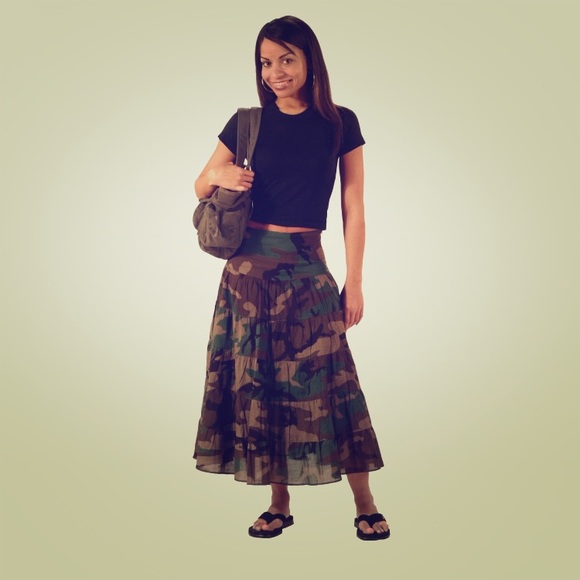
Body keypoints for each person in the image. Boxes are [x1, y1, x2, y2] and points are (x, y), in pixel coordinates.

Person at [192, 15, 390, 541]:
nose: (275, 71)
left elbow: (353, 205)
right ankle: (278, 502)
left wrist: (354, 281)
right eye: (266, 62)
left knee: (333, 382)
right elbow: (200, 184)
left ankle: (365, 501)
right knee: (261, 386)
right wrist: (218, 175)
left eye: (286, 59)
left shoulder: (340, 122)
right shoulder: (247, 123)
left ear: (309, 61)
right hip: (246, 272)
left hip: (307, 266)